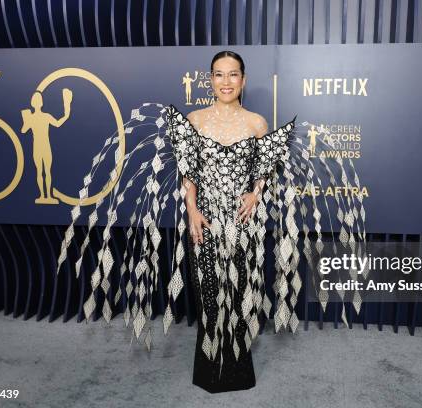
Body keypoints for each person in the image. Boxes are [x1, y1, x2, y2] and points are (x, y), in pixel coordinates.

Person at [56, 50, 366, 394]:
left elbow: (261, 169)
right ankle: (209, 370)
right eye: (219, 75)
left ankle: (237, 369)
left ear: (243, 80)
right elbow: (189, 173)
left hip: (242, 222)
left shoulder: (256, 122)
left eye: (233, 75)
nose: (226, 82)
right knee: (208, 294)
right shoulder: (195, 119)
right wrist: (191, 209)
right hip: (203, 220)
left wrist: (255, 194)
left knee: (238, 291)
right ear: (210, 80)